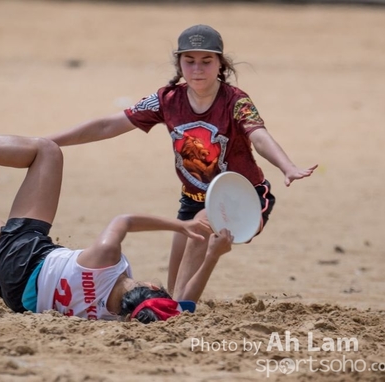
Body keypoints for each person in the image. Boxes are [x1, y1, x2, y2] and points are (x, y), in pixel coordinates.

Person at [0, 110, 234, 324]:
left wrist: (180, 225)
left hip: (31, 259)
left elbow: (125, 220)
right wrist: (212, 257)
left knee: (48, 152)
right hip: (19, 297)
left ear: (148, 286)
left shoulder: (107, 261)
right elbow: (185, 305)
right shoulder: (119, 318)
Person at [45, 24, 318, 293]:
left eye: (206, 61)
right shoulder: (166, 100)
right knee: (177, 285)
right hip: (192, 200)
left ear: (220, 63)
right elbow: (108, 125)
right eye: (190, 61)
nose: (197, 69)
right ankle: (178, 308)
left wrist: (287, 166)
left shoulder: (236, 101)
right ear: (179, 63)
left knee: (199, 231)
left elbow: (258, 135)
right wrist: (50, 141)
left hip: (244, 197)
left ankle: (180, 308)